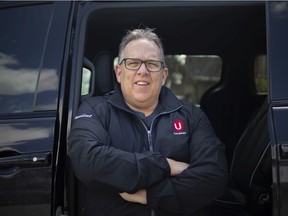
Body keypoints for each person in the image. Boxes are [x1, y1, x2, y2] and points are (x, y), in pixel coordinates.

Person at [68, 27, 228, 216]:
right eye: (133, 63)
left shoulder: (192, 115)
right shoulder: (94, 110)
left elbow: (214, 176)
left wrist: (150, 195)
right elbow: (88, 161)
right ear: (119, 73)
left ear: (164, 75)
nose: (142, 71)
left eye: (152, 64)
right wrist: (166, 165)